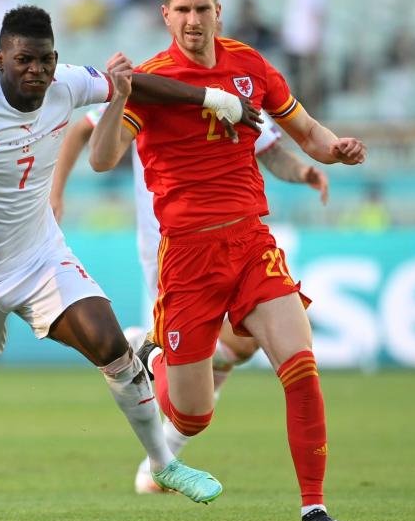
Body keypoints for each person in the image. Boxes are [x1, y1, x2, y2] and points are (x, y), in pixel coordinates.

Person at [0, 5, 259, 521]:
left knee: (111, 344)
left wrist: (215, 98)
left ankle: (162, 462)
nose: (37, 71)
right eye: (25, 60)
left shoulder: (69, 85)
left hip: (38, 256)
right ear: (1, 59)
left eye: (47, 60)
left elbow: (139, 84)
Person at [88, 0, 365, 521]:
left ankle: (313, 507)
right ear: (166, 15)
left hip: (249, 240)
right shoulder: (151, 80)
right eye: (183, 10)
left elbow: (306, 134)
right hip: (187, 256)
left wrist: (336, 150)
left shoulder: (251, 68)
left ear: (220, 10)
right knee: (193, 414)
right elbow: (102, 157)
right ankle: (156, 358)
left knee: (301, 365)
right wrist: (117, 98)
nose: (193, 20)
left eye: (203, 8)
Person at [51, 103, 330, 494]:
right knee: (187, 391)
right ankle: (152, 372)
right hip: (174, 250)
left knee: (243, 342)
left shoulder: (237, 85)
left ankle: (162, 447)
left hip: (235, 243)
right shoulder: (157, 86)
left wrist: (304, 171)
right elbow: (85, 128)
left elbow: (268, 148)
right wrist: (56, 191)